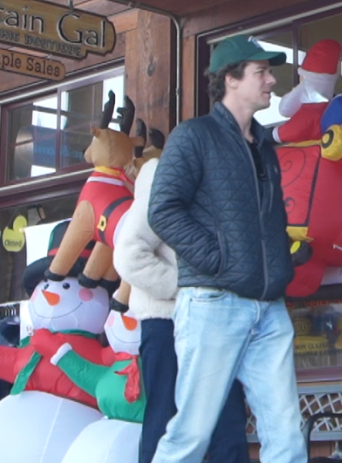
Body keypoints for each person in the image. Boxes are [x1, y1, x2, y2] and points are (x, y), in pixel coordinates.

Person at [147, 35, 305, 463]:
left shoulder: (264, 145)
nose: (272, 81)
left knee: (287, 436)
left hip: (268, 307)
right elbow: (163, 210)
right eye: (261, 72)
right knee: (192, 434)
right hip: (213, 303)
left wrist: (282, 261)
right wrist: (218, 259)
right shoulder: (193, 136)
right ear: (231, 79)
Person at [112, 158, 250, 463]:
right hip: (167, 323)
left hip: (213, 321)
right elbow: (129, 255)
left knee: (228, 425)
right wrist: (188, 287)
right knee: (166, 424)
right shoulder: (166, 178)